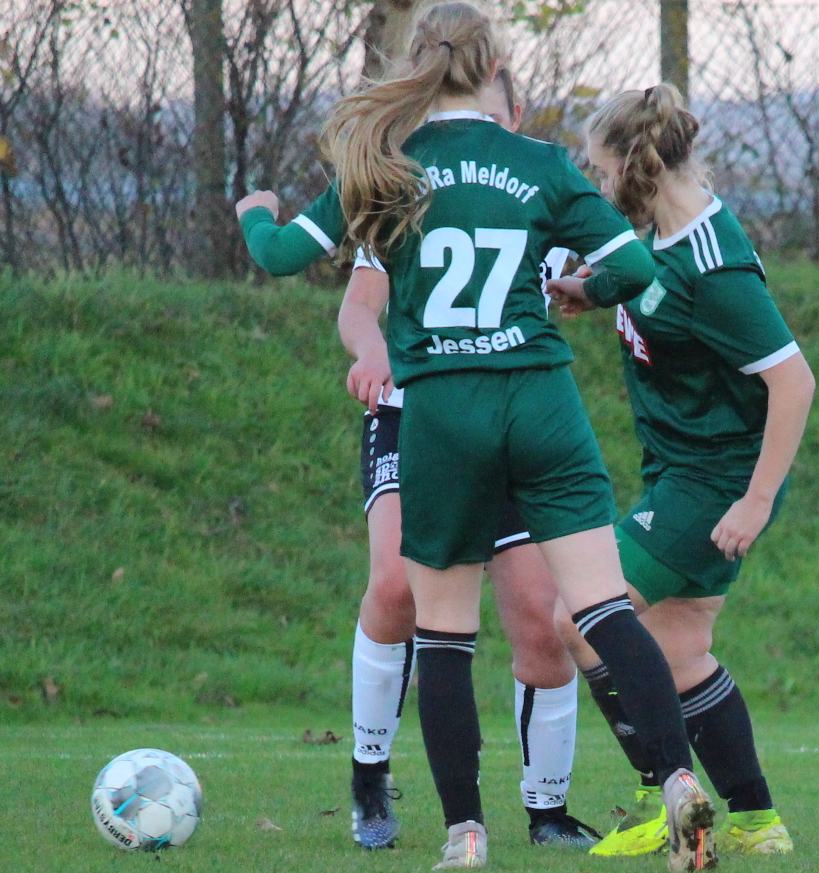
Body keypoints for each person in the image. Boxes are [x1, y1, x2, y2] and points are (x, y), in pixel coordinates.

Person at [233, 4, 716, 868]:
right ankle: (676, 779)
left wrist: (253, 209)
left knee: (445, 628)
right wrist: (580, 291)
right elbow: (638, 266)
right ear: (494, 65)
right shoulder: (537, 164)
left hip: (445, 411)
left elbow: (274, 254)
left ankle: (465, 833)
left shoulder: (384, 163)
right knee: (603, 606)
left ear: (420, 65)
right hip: (541, 401)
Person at [334, 66, 601, 852]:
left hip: (510, 425)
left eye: (489, 114)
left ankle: (547, 808)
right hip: (416, 415)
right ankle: (369, 774)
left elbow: (592, 274)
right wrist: (372, 349)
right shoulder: (409, 187)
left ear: (513, 117)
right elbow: (360, 303)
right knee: (394, 586)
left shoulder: (536, 195)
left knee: (543, 622)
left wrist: (591, 286)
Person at [544, 83, 813, 859]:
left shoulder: (716, 263)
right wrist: (591, 291)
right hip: (681, 471)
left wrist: (756, 501)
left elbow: (794, 382)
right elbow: (651, 288)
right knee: (681, 651)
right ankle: (759, 820)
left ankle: (663, 793)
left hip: (713, 482)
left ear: (636, 166)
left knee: (581, 618)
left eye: (600, 173)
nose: (595, 189)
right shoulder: (659, 239)